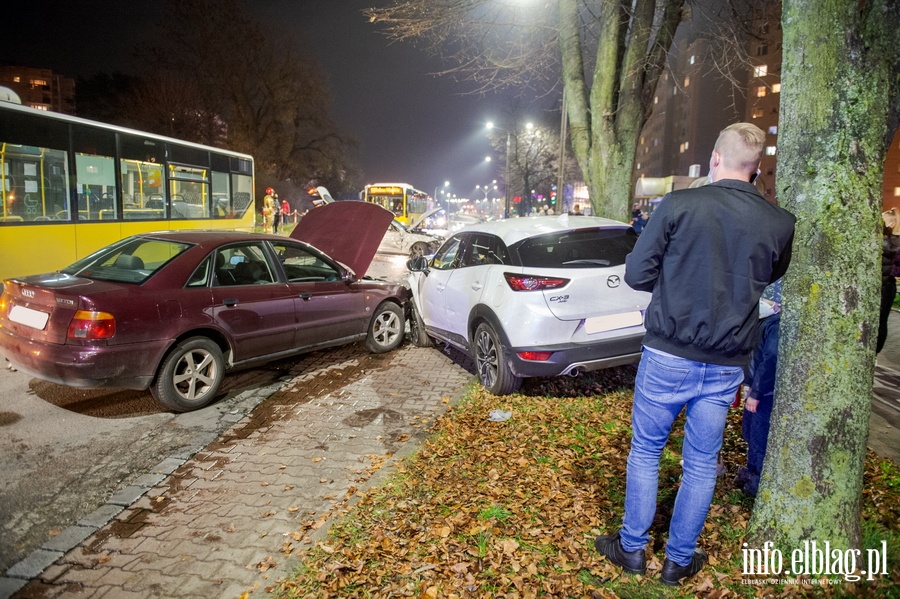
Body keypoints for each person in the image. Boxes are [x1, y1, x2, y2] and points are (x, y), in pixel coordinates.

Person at [593, 123, 795, 586]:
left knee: (646, 450)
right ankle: (678, 560)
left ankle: (632, 549)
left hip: (669, 353)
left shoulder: (681, 205)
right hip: (726, 362)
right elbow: (767, 274)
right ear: (757, 168)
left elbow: (636, 273)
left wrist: (677, 282)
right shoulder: (779, 223)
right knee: (701, 461)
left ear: (714, 160)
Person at [734, 278, 782, 496]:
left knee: (760, 439)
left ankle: (757, 484)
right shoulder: (761, 321)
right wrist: (747, 384)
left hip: (765, 394)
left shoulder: (775, 325)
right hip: (755, 389)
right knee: (750, 433)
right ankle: (750, 471)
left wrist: (756, 392)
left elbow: (769, 359)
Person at [878, 209, 899, 353]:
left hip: (885, 287)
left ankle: (875, 352)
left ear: (891, 223)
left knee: (880, 322)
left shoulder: (890, 241)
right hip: (884, 285)